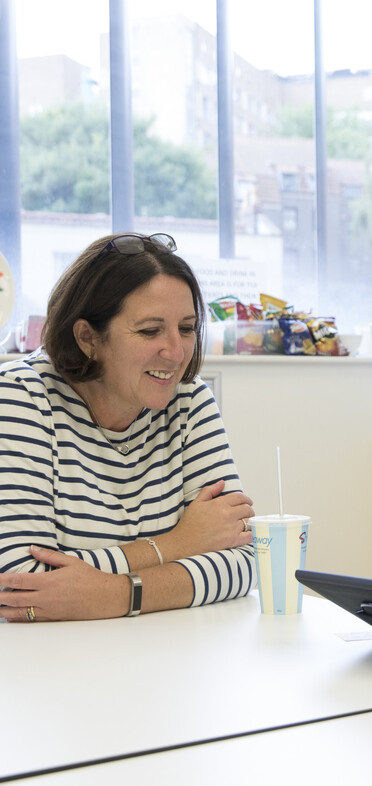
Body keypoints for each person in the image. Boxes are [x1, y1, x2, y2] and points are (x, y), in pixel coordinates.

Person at [0, 233, 254, 622]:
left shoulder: (188, 399)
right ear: (88, 338)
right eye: (150, 331)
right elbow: (19, 585)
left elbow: (244, 560)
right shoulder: (20, 397)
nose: (175, 352)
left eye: (186, 328)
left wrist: (119, 595)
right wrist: (180, 543)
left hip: (166, 658)